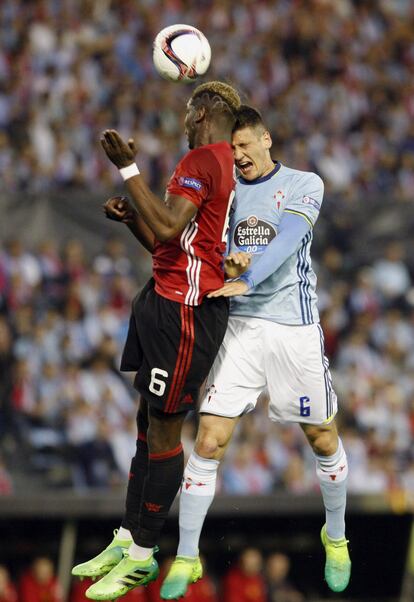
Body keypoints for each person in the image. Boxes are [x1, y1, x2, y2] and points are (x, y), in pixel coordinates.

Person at [160, 105, 351, 599]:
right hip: (240, 326)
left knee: (323, 438)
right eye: (234, 148)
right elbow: (206, 250)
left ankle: (335, 536)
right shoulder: (222, 196)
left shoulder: (307, 183)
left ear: (267, 139)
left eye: (247, 145)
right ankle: (186, 556)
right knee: (208, 441)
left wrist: (248, 272)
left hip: (293, 327)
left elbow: (288, 239)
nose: (240, 155)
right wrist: (229, 263)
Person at [71, 81, 241, 600]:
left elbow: (168, 226)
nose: (184, 119)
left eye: (191, 110)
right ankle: (126, 537)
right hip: (167, 297)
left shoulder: (206, 160)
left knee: (165, 431)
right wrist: (131, 223)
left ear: (207, 111)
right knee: (148, 421)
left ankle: (144, 554)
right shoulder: (219, 164)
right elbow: (171, 245)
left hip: (185, 314)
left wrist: (127, 169)